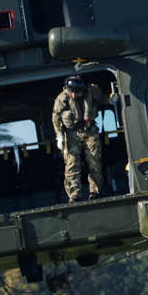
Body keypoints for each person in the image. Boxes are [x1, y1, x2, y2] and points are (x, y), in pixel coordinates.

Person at [51, 74, 106, 203]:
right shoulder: (62, 98)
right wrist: (59, 136)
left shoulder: (92, 91)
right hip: (71, 134)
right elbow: (56, 117)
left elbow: (103, 99)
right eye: (71, 92)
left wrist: (111, 99)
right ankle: (74, 195)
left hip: (90, 130)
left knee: (94, 162)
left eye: (77, 92)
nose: (74, 95)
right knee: (71, 165)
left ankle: (95, 192)